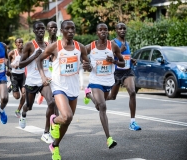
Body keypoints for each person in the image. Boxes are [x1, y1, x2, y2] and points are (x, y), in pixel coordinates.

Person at [37, 20, 92, 160]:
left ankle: (55, 146)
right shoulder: (55, 47)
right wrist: (43, 77)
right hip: (58, 86)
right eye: (67, 28)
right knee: (67, 116)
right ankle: (54, 121)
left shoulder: (80, 47)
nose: (71, 31)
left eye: (73, 28)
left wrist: (88, 67)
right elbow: (39, 60)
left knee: (67, 121)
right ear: (62, 31)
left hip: (73, 88)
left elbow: (88, 65)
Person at [84, 23, 125, 149]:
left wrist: (114, 61)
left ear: (108, 32)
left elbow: (123, 63)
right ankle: (109, 139)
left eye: (105, 30)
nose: (103, 32)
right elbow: (80, 55)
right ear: (96, 32)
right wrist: (87, 64)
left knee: (98, 106)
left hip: (108, 81)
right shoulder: (90, 46)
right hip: (95, 80)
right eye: (100, 30)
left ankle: (88, 94)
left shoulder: (112, 46)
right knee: (102, 106)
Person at [18, 21, 56, 144]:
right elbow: (20, 65)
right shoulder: (29, 45)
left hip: (45, 79)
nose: (41, 31)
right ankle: (23, 113)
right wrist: (34, 56)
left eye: (42, 29)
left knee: (51, 102)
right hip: (32, 81)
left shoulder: (47, 44)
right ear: (34, 31)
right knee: (29, 106)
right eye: (38, 29)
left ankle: (46, 133)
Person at [106, 22, 141, 131]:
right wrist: (120, 50)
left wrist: (131, 60)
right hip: (116, 72)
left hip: (127, 71)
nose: (122, 30)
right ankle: (97, 99)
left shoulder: (127, 43)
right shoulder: (112, 43)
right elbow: (108, 58)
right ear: (116, 30)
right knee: (112, 97)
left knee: (132, 92)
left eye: (124, 28)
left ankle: (132, 122)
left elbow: (126, 57)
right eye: (120, 28)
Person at [8, 38, 26, 118]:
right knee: (17, 96)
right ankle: (11, 85)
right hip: (14, 76)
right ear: (16, 44)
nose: (21, 44)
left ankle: (18, 110)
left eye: (22, 42)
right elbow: (7, 62)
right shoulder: (12, 53)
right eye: (19, 42)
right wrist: (11, 66)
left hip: (22, 76)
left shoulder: (25, 53)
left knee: (24, 94)